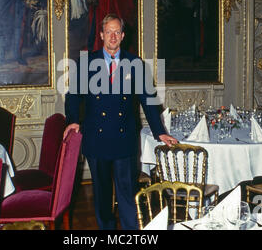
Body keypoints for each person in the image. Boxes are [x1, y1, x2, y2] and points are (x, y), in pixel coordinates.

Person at [63, 13, 178, 230]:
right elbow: (73, 95)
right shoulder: (86, 62)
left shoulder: (135, 63)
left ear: (123, 35)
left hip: (124, 140)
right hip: (96, 139)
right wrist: (73, 120)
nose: (113, 36)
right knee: (103, 198)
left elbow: (148, 98)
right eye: (109, 32)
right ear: (101, 35)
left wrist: (158, 131)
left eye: (117, 32)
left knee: (127, 196)